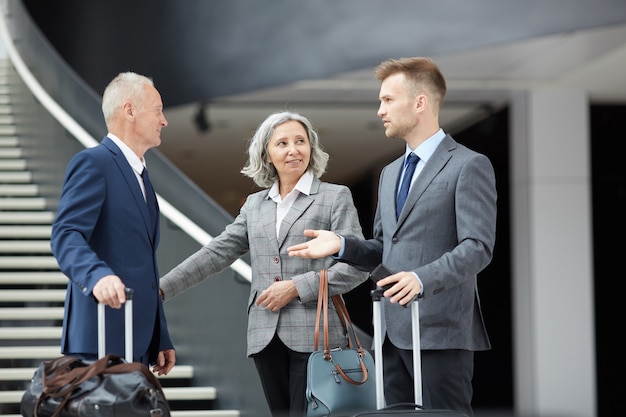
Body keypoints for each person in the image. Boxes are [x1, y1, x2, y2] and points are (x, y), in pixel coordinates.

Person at [287, 57, 497, 416]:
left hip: (440, 333)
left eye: (388, 100)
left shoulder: (468, 165)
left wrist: (421, 278)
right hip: (390, 334)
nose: (380, 109)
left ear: (420, 103)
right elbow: (386, 248)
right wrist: (343, 245)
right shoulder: (390, 173)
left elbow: (477, 247)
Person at [159, 111, 368, 417]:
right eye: (282, 143)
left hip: (316, 335)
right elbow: (216, 253)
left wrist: (297, 287)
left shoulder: (334, 197)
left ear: (311, 147)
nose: (293, 149)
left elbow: (357, 266)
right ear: (267, 154)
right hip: (265, 335)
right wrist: (161, 288)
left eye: (300, 141)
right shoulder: (255, 205)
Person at [50, 72, 176, 376]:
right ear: (130, 110)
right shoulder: (94, 163)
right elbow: (66, 234)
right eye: (158, 110)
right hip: (99, 336)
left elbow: (144, 265)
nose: (164, 121)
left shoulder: (142, 176)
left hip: (138, 340)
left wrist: (160, 335)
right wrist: (97, 277)